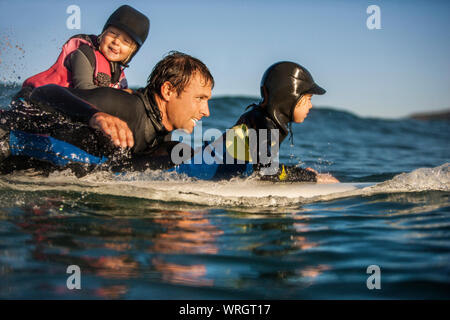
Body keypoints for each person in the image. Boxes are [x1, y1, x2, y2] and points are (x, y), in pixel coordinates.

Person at [0, 56, 337, 182]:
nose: (206, 111)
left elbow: (169, 163)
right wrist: (96, 116)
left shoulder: (161, 137)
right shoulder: (121, 105)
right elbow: (39, 95)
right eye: (200, 99)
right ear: (168, 91)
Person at [17, 5, 150, 99]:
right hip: (33, 98)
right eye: (113, 33)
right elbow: (84, 89)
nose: (116, 41)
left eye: (126, 41)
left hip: (61, 107)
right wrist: (122, 96)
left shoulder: (119, 77)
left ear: (132, 52)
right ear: (103, 34)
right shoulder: (85, 53)